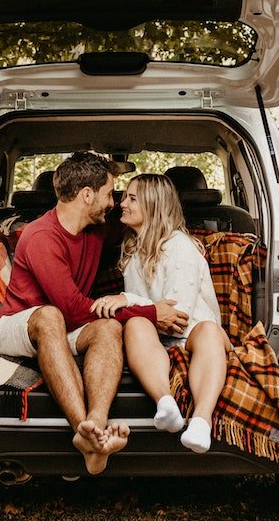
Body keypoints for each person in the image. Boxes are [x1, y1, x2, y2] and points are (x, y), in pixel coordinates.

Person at [0, 153, 189, 474]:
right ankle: (82, 431)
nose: (114, 203)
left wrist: (188, 242)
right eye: (110, 193)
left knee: (108, 327)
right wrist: (150, 312)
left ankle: (95, 427)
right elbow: (73, 309)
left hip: (64, 325)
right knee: (50, 315)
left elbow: (148, 223)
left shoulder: (97, 229)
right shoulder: (41, 237)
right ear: (87, 195)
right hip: (17, 324)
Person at [92, 173, 230, 454]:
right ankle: (165, 403)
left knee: (210, 332)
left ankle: (201, 422)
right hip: (156, 336)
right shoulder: (132, 248)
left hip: (191, 332)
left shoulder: (180, 246)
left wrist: (125, 299)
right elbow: (152, 315)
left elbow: (177, 317)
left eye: (131, 198)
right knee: (135, 324)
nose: (122, 204)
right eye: (123, 197)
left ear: (153, 205)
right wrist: (133, 308)